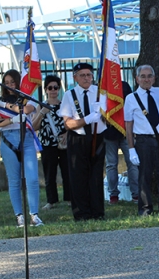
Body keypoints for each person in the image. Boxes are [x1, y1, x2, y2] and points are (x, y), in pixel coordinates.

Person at [0, 69, 44, 228]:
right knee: (14, 180)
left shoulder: (27, 98)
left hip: (26, 139)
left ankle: (34, 214)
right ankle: (19, 216)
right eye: (6, 83)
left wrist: (8, 106)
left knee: (32, 178)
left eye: (12, 82)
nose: (9, 86)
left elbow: (26, 110)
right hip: (8, 139)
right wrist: (12, 120)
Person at [125, 64, 159, 216]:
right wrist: (131, 148)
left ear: (154, 78)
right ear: (137, 79)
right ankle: (145, 209)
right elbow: (128, 125)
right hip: (144, 141)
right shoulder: (131, 98)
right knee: (144, 176)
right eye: (143, 76)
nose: (146, 79)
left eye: (149, 76)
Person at [59, 63, 107, 221]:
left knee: (96, 177)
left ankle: (98, 212)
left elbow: (111, 118)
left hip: (97, 137)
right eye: (82, 75)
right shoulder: (69, 95)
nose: (86, 78)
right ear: (75, 77)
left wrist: (103, 115)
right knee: (78, 177)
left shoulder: (100, 93)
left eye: (89, 75)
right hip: (78, 138)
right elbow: (68, 123)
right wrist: (86, 120)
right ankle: (82, 213)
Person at [38, 75, 71, 209]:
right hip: (47, 144)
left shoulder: (64, 105)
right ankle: (51, 200)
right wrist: (42, 112)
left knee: (67, 171)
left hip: (63, 143)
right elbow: (33, 126)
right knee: (49, 173)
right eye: (50, 88)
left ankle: (69, 198)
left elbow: (70, 123)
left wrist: (67, 133)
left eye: (56, 87)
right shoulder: (40, 106)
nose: (53, 90)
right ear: (46, 89)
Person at [104, 80, 139, 204]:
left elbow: (130, 105)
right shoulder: (103, 87)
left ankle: (136, 193)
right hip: (108, 132)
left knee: (132, 163)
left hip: (125, 131)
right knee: (111, 164)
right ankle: (113, 194)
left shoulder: (124, 86)